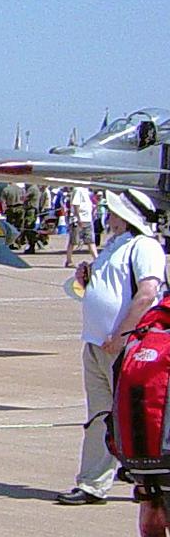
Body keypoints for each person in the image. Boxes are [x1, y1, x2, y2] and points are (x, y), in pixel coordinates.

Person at [57, 187, 167, 504]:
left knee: (136, 416)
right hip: (97, 344)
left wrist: (121, 335)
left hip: (126, 347)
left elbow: (147, 293)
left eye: (115, 209)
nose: (110, 214)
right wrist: (85, 279)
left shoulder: (144, 246)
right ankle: (93, 482)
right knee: (100, 416)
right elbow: (96, 290)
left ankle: (146, 478)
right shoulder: (114, 246)